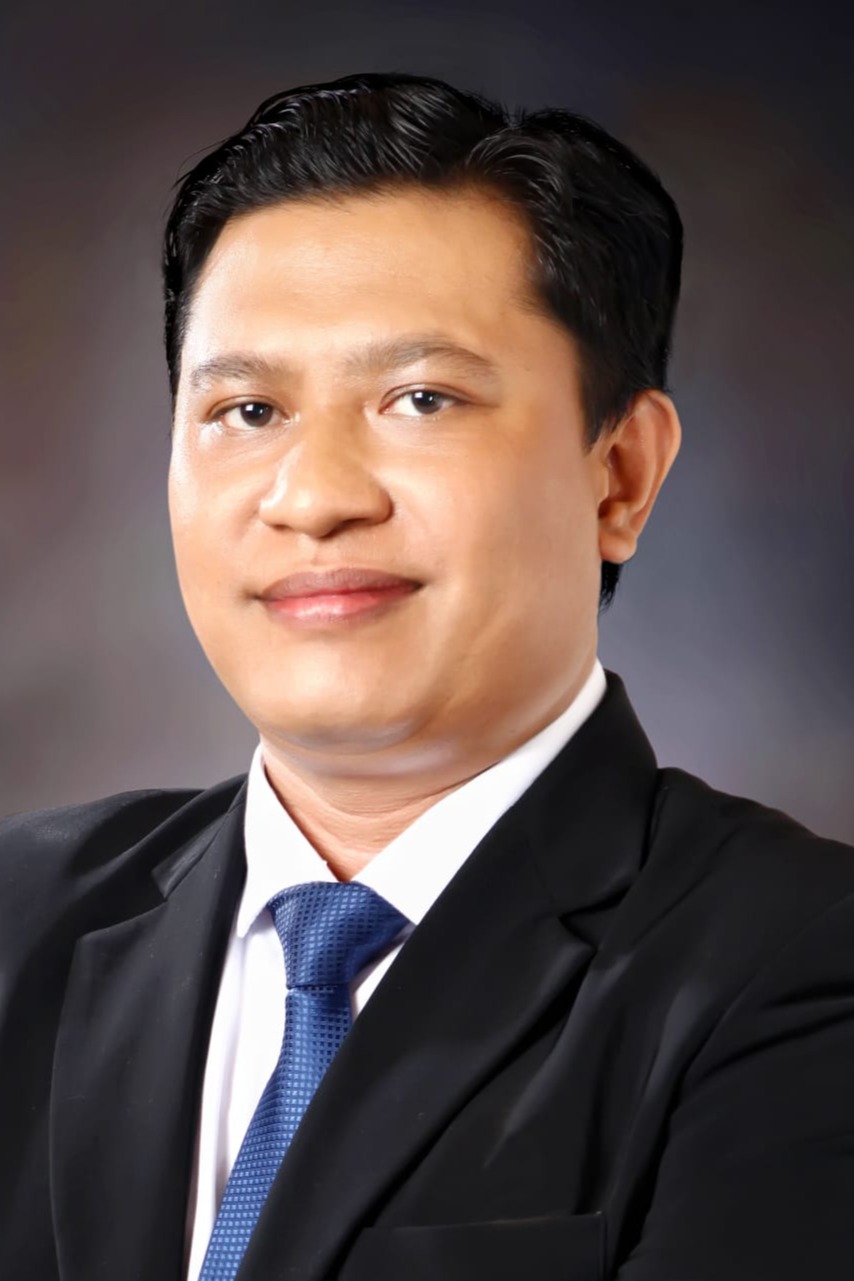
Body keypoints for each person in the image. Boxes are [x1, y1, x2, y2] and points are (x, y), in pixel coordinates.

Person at [2, 70, 853, 1281]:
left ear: (618, 475)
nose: (313, 497)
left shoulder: (797, 965)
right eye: (247, 410)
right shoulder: (19, 920)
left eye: (419, 398)